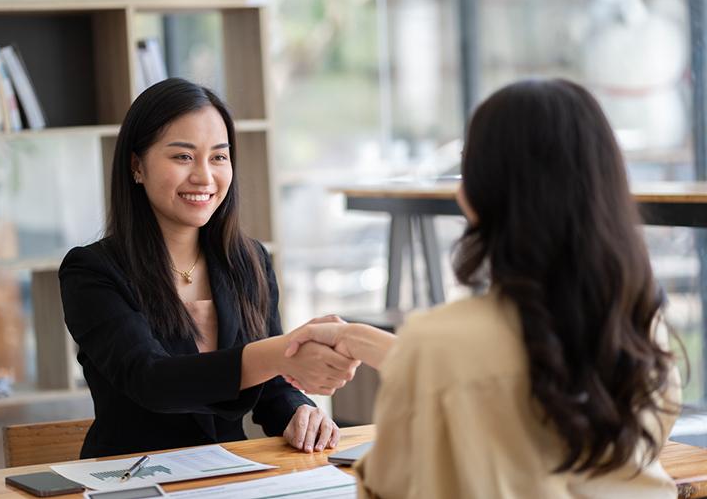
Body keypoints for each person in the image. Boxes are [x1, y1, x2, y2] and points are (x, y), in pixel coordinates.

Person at [286, 78, 683, 498]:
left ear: (474, 195)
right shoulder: (640, 326)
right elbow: (517, 368)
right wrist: (355, 338)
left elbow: (394, 484)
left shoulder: (439, 343)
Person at [59, 78, 358, 459]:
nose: (204, 176)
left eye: (218, 156)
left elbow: (271, 388)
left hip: (233, 478)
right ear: (137, 166)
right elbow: (152, 381)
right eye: (183, 157)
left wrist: (300, 412)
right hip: (135, 482)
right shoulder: (91, 272)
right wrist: (282, 352)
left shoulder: (248, 260)